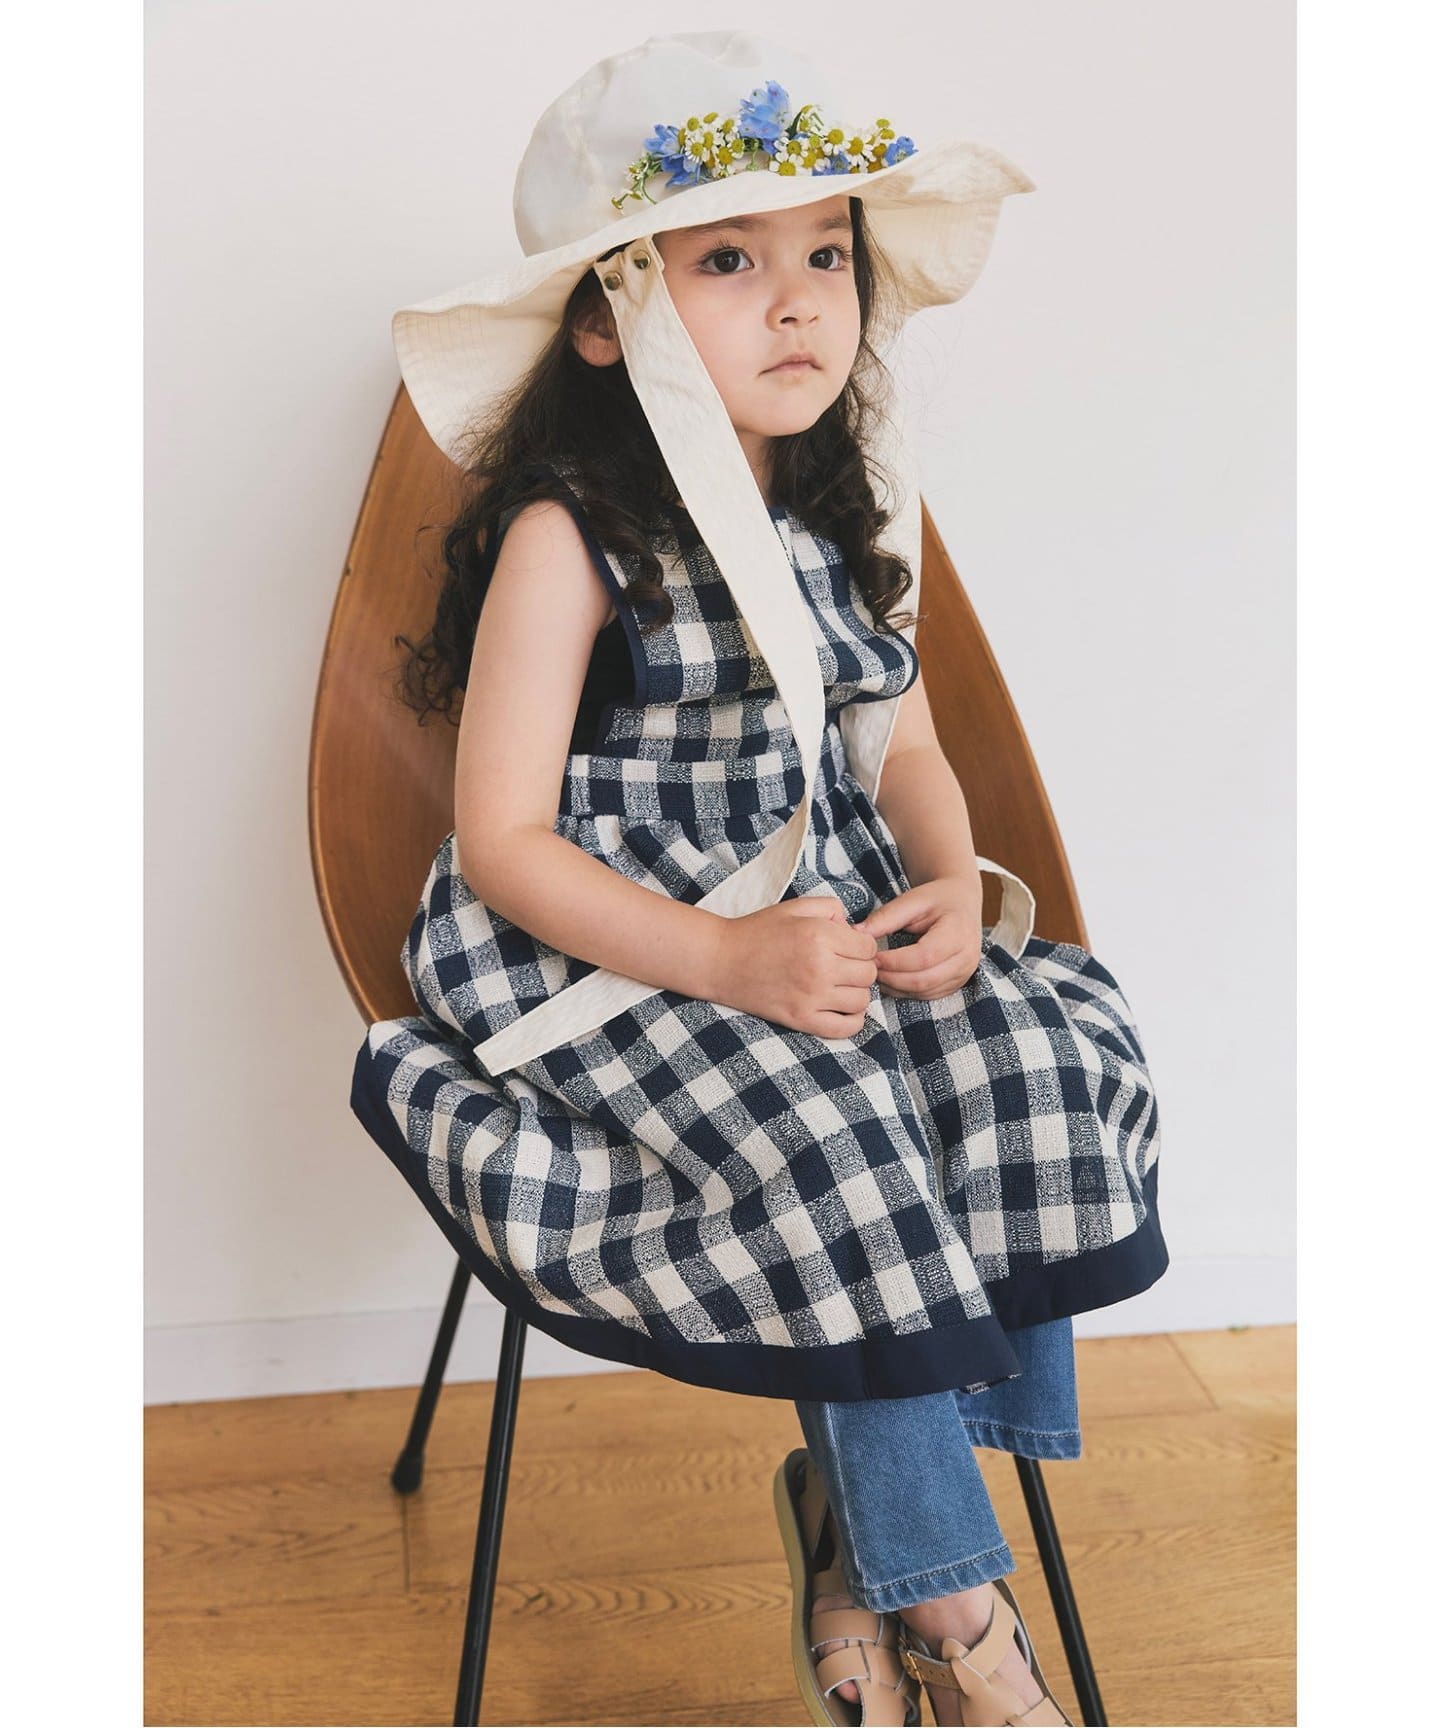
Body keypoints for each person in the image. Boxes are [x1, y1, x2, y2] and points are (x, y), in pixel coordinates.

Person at [349, 31, 1168, 1727]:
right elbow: (503, 842)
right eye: (728, 261)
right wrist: (723, 963)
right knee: (835, 1136)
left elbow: (905, 749)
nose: (798, 303)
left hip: (821, 909)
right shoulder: (570, 538)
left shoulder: (841, 515)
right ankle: (965, 1628)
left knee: (1030, 1061)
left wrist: (951, 882)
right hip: (618, 939)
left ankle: (866, 1532)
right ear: (610, 318)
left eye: (825, 257)